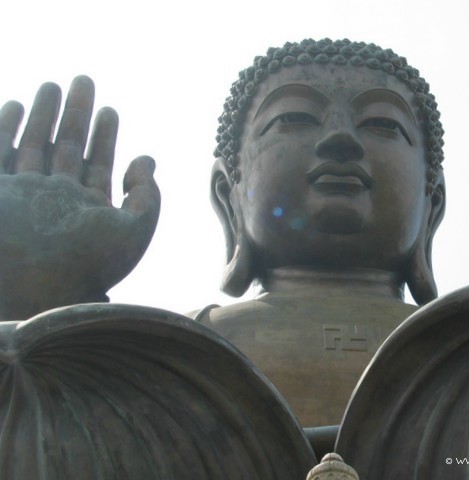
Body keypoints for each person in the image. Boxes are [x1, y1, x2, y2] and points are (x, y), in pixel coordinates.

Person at [0, 38, 445, 427]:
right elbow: (70, 446)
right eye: (293, 118)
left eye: (383, 124)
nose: (340, 139)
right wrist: (35, 309)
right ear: (227, 194)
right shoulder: (174, 346)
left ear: (433, 202)